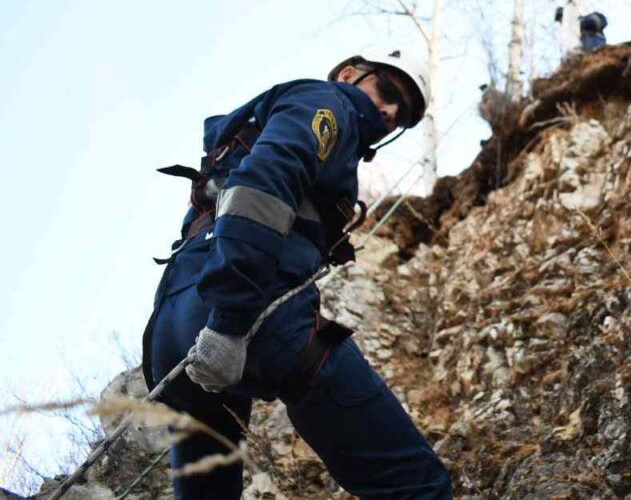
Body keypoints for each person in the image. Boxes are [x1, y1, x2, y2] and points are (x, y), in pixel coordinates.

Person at [142, 49, 452, 499]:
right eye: (386, 90)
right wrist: (229, 321)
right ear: (349, 73)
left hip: (173, 323)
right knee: (417, 485)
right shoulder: (329, 102)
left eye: (401, 114)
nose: (389, 111)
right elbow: (264, 182)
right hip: (249, 311)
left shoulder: (274, 127)